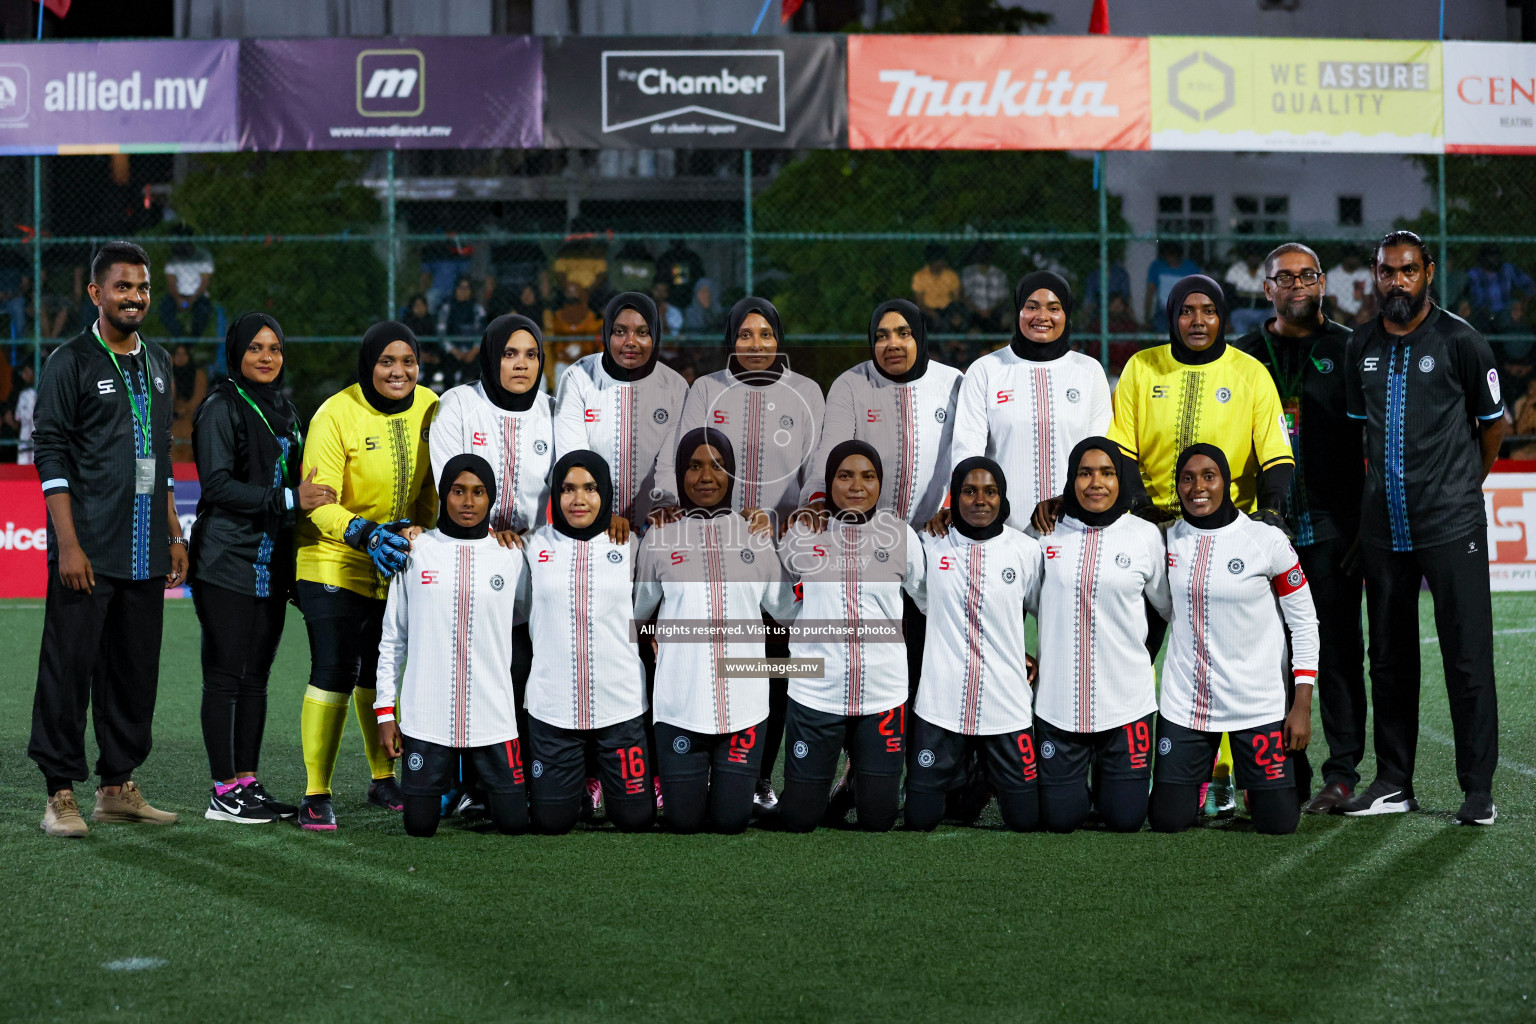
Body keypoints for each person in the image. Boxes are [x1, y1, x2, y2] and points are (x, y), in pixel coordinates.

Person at [1340, 231, 1507, 826]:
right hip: (1383, 528)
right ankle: (1393, 782)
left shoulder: (1464, 340)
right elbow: (1361, 436)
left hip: (1450, 522)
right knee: (1386, 656)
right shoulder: (1360, 345)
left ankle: (1477, 787)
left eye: (1408, 271)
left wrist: (1462, 487)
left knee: (1467, 656)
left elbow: (1493, 427)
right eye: (1387, 272)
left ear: (1428, 273)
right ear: (1375, 276)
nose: (1397, 282)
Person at [30, 241, 184, 837]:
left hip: (145, 551)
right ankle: (60, 794)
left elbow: (162, 454)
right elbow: (50, 452)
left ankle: (117, 787)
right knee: (68, 671)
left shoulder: (162, 362)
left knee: (133, 674)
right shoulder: (68, 362)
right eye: (123, 287)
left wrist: (174, 531)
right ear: (96, 293)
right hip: (87, 551)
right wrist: (67, 544)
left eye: (142, 288)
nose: (135, 298)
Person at [651, 296, 826, 809]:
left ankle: (757, 775)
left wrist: (799, 515)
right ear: (731, 341)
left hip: (774, 552)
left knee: (769, 665)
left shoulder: (806, 392)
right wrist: (667, 504)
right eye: (745, 336)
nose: (756, 345)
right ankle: (689, 768)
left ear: (779, 340)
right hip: (705, 543)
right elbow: (678, 456)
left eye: (765, 335)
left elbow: (815, 469)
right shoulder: (707, 389)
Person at [1234, 243, 1366, 813]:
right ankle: (1283, 769)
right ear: (1267, 289)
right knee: (1271, 651)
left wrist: (1365, 525)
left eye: (1307, 275)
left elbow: (1370, 439)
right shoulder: (1241, 357)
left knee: (1336, 648)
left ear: (1322, 284)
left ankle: (1341, 773)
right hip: (1264, 532)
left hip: (1334, 526)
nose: (1297, 285)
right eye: (1284, 278)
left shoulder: (1349, 348)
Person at [293, 321, 440, 830]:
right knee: (335, 666)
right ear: (368, 364)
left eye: (407, 362)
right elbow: (318, 505)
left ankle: (382, 780)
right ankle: (316, 793)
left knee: (379, 669)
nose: (398, 372)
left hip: (393, 560)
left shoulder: (431, 407)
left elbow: (429, 493)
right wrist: (365, 532)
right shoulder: (335, 413)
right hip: (332, 556)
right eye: (386, 362)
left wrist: (427, 533)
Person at [191, 313, 333, 823]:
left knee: (256, 678)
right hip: (225, 560)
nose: (267, 356)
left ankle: (246, 783)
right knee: (225, 676)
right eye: (255, 348)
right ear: (236, 353)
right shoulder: (219, 406)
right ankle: (221, 791)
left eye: (274, 347)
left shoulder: (285, 409)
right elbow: (217, 487)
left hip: (269, 562)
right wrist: (292, 495)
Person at [798, 299, 960, 725]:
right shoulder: (851, 384)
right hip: (867, 546)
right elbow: (829, 456)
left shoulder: (953, 383)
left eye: (903, 333)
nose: (892, 344)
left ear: (920, 337)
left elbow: (969, 456)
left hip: (934, 542)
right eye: (882, 335)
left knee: (932, 661)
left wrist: (951, 510)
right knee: (871, 668)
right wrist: (815, 504)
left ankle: (930, 770)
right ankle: (858, 768)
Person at [1148, 444, 1319, 836]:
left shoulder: (1266, 541)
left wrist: (1302, 704)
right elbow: (1164, 606)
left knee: (1277, 823)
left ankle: (1267, 783)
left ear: (1225, 482)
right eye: (1187, 479)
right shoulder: (1166, 540)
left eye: (1209, 476)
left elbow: (1305, 622)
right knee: (1168, 820)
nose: (1198, 487)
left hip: (1257, 703)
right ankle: (1201, 782)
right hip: (1187, 702)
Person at [633, 429, 798, 834]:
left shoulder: (754, 535)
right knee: (683, 822)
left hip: (745, 707)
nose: (706, 476)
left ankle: (730, 789)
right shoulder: (659, 536)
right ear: (680, 473)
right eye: (694, 466)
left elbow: (786, 609)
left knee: (731, 822)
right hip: (679, 705)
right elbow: (637, 613)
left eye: (717, 466)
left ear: (732, 474)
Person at [374, 454, 531, 838]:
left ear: (490, 498)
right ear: (444, 494)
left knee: (513, 824)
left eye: (478, 492)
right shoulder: (415, 552)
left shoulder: (510, 556)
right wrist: (385, 713)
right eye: (458, 491)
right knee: (419, 826)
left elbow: (528, 621)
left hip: (494, 717)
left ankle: (478, 793)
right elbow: (393, 639)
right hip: (426, 716)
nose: (468, 501)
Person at [777, 441, 926, 833]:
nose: (856, 485)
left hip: (882, 693)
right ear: (829, 482)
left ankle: (855, 779)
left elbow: (925, 596)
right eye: (845, 476)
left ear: (880, 482)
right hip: (816, 692)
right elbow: (779, 602)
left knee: (878, 821)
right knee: (799, 820)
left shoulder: (901, 536)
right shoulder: (803, 533)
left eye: (868, 476)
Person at [1029, 439, 1171, 833]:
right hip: (1058, 706)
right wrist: (1017, 655)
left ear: (1121, 478)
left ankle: (1109, 784)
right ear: (1071, 479)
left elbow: (1167, 608)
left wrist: (1144, 656)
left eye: (1107, 472)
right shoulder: (1046, 533)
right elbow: (1011, 601)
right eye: (1085, 472)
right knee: (1060, 820)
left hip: (1127, 706)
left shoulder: (1144, 536)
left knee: (1126, 819)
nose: (1097, 482)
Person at [906, 456, 1042, 832]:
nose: (979, 500)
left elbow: (1049, 610)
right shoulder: (930, 544)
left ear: (1002, 498)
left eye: (990, 491)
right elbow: (921, 598)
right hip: (941, 704)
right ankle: (967, 774)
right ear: (954, 497)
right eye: (969, 491)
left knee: (1025, 820)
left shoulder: (1025, 551)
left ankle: (985, 774)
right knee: (920, 820)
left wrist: (1038, 657)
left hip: (1006, 704)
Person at [520, 451, 653, 834]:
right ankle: (578, 788)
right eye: (567, 489)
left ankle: (603, 785)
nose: (579, 499)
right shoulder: (530, 547)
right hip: (552, 705)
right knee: (551, 822)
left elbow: (647, 606)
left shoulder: (630, 545)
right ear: (555, 495)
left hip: (620, 702)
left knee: (635, 820)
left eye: (591, 488)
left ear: (605, 492)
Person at [949, 271, 1111, 532]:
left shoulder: (1088, 371)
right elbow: (967, 452)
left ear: (1066, 313)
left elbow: (1099, 452)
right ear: (1018, 311)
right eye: (1032, 307)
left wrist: (1068, 502)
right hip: (1003, 529)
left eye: (1054, 308)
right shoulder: (986, 370)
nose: (1042, 317)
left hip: (1073, 524)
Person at [553, 292, 687, 530]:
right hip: (589, 520)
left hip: (654, 525)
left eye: (642, 332)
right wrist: (604, 515)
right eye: (620, 331)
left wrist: (664, 505)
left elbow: (670, 462)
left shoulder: (674, 386)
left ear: (655, 334)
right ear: (606, 333)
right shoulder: (578, 377)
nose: (631, 342)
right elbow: (574, 457)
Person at [1463, 243, 1536, 334]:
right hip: (1481, 312)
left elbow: (1530, 285)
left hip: (1505, 310)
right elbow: (1463, 293)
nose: (1493, 259)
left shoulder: (1508, 269)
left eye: (1495, 255)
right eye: (1490, 256)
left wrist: (1522, 303)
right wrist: (1464, 302)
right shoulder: (1473, 273)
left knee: (1517, 326)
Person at [437, 277, 487, 388]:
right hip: (453, 352)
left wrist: (474, 351)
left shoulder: (477, 309)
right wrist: (455, 351)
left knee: (477, 371)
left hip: (473, 352)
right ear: (455, 290)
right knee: (448, 369)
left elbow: (483, 333)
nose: (463, 291)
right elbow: (441, 334)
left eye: (467, 288)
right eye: (460, 288)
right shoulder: (447, 308)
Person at [1145, 242, 1202, 334]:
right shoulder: (1157, 267)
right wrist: (1147, 318)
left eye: (1173, 256)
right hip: (1163, 311)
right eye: (1167, 256)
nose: (1170, 260)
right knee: (1160, 326)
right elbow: (1150, 291)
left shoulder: (1191, 268)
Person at [160, 241, 213, 338]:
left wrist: (191, 300)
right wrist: (179, 299)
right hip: (178, 295)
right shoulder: (173, 258)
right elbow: (171, 283)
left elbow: (204, 283)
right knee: (165, 309)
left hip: (198, 295)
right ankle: (180, 339)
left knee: (203, 312)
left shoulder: (203, 256)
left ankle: (192, 340)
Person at [169, 342, 207, 463]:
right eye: (177, 354)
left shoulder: (199, 375)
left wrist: (185, 410)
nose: (180, 357)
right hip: (172, 420)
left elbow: (198, 398)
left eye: (183, 354)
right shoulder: (167, 375)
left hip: (191, 419)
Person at [959, 243, 1010, 333]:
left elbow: (1002, 299)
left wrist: (989, 310)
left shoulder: (999, 273)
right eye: (980, 253)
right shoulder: (969, 272)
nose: (983, 256)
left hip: (993, 312)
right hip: (974, 312)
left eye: (986, 253)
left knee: (1007, 317)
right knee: (968, 321)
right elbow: (965, 298)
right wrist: (979, 311)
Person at [912, 243, 963, 330]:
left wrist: (955, 313)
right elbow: (919, 302)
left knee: (957, 319)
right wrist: (932, 313)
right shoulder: (920, 276)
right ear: (932, 261)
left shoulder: (951, 275)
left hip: (947, 310)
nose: (944, 261)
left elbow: (956, 299)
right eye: (940, 259)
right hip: (928, 311)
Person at [1224, 247, 1269, 336]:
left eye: (1256, 256)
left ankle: (1266, 347)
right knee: (1236, 317)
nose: (1253, 259)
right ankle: (1243, 346)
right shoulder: (1236, 269)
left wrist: (1243, 294)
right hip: (1242, 311)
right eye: (1251, 256)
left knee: (1273, 318)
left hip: (1264, 311)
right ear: (1246, 258)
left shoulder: (1268, 269)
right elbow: (1229, 295)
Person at [1326, 252, 1373, 326]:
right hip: (1341, 311)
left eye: (1357, 258)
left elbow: (1368, 297)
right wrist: (1345, 313)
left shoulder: (1365, 273)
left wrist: (1363, 310)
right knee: (1337, 316)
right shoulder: (1333, 274)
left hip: (1359, 311)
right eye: (1353, 258)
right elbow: (1332, 301)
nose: (1356, 261)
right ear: (1346, 259)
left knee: (1365, 315)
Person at [10, 360, 36, 464]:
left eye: (26, 371)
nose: (24, 376)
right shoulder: (23, 394)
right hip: (24, 440)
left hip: (40, 442)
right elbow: (18, 421)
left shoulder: (45, 393)